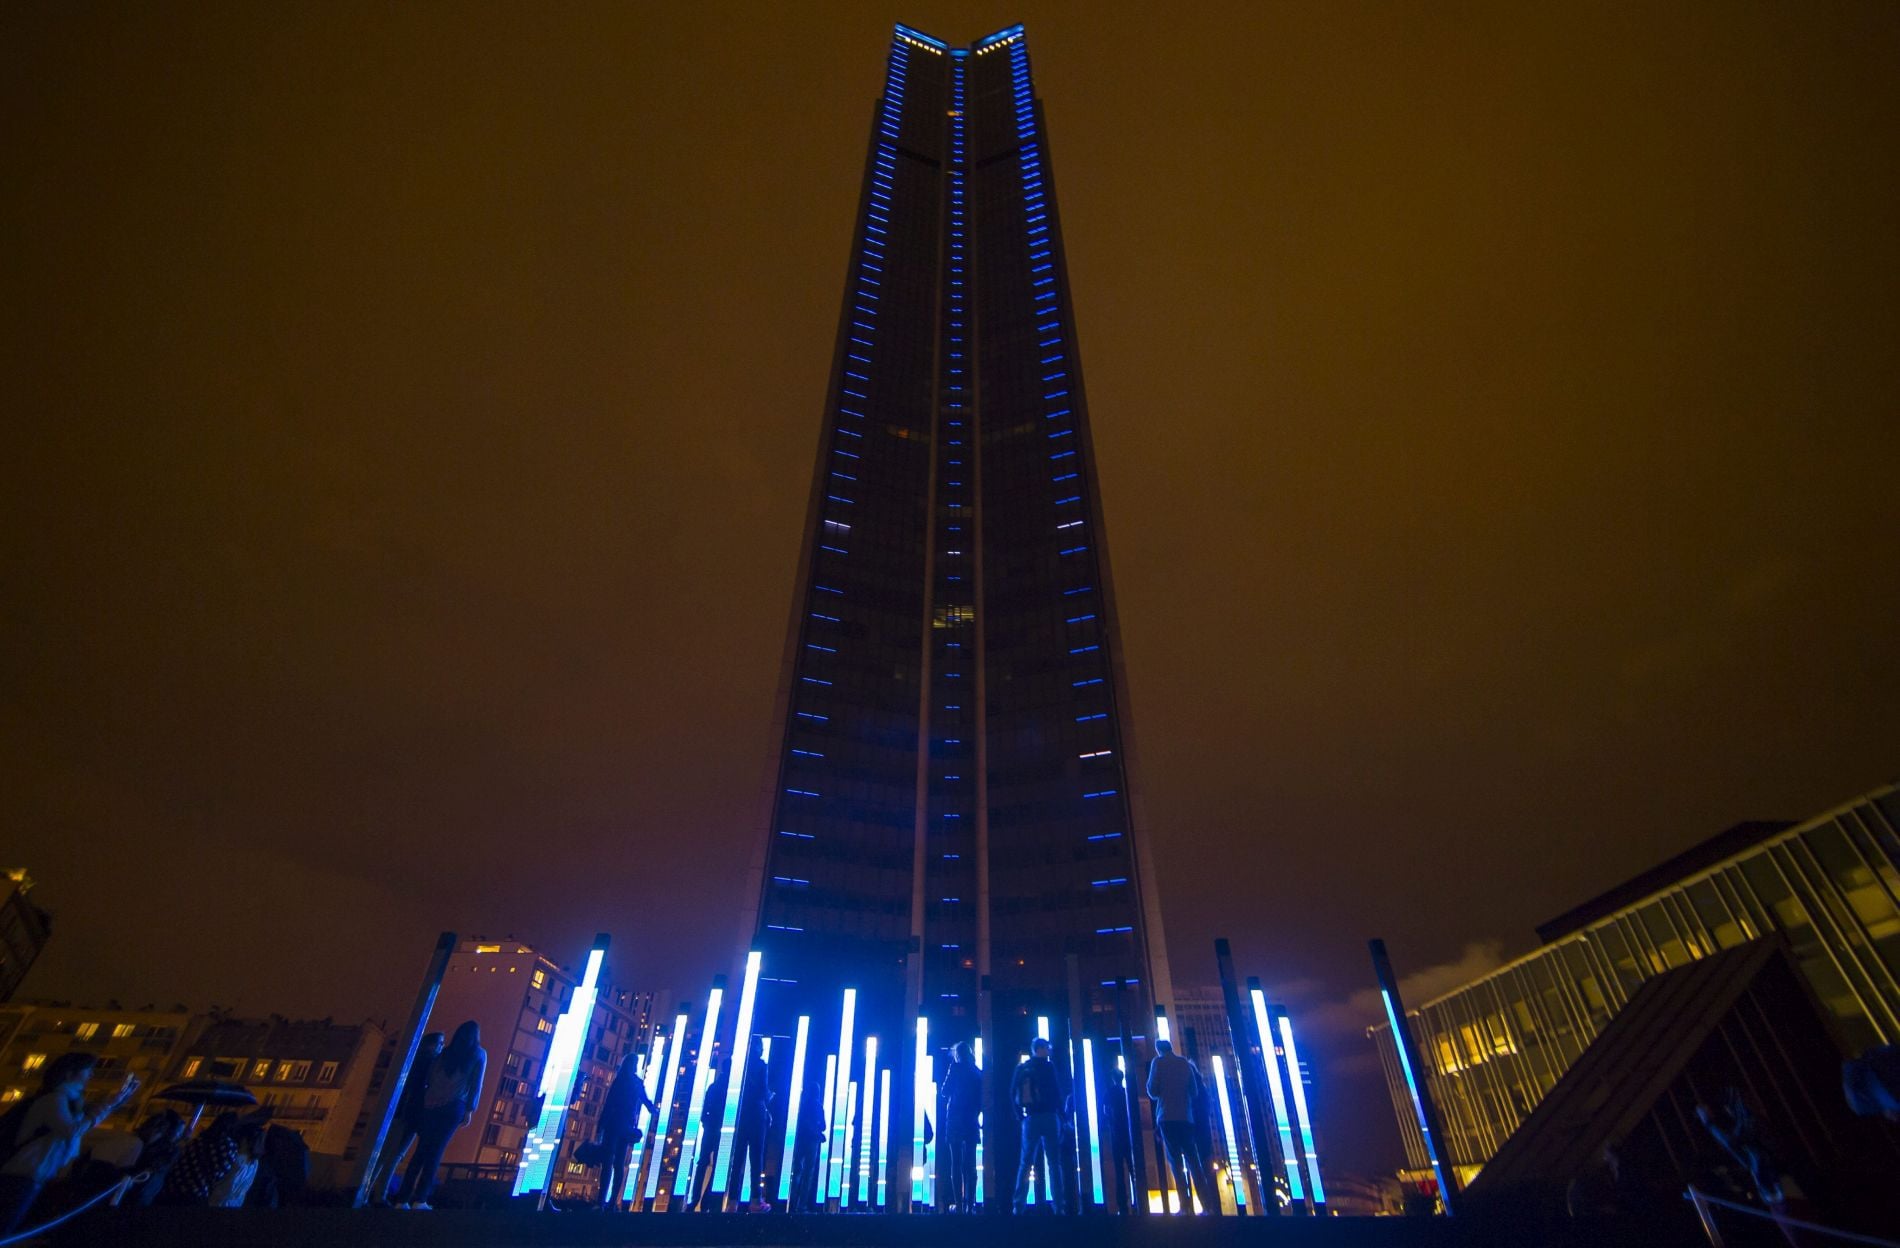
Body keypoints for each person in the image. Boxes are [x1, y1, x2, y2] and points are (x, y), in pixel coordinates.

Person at [0, 1052, 139, 1234]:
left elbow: (82, 1125)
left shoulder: (70, 1103)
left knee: (12, 1227)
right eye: (88, 1070)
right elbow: (72, 1131)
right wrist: (107, 1105)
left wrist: (114, 1103)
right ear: (69, 1073)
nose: (91, 1075)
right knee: (6, 1226)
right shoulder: (54, 1100)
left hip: (34, 1175)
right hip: (22, 1174)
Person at [398, 1019, 486, 1210]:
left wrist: (432, 1097)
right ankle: (420, 1199)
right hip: (454, 1107)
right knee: (436, 1152)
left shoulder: (445, 1052)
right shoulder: (478, 1054)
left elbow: (430, 1077)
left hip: (431, 1106)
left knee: (420, 1151)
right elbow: (476, 1085)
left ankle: (402, 1198)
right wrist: (470, 1110)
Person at [369, 1032, 442, 1205]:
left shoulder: (414, 1060)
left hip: (402, 1113)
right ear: (430, 1045)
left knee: (386, 1154)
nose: (441, 1047)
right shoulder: (427, 1063)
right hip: (409, 1115)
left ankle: (368, 1190)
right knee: (394, 1155)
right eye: (439, 1043)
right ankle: (379, 1195)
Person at [1147, 1039, 1218, 1214]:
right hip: (1186, 1118)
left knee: (1175, 1162)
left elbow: (1152, 1090)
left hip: (1167, 1117)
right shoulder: (1184, 1063)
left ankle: (1185, 1205)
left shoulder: (1158, 1062)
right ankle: (1207, 1204)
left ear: (1158, 1050)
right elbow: (1193, 1092)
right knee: (1193, 1161)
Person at [1010, 1037, 1069, 1214]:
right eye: (1047, 1048)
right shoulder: (1048, 1067)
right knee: (1054, 1162)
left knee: (1026, 1162)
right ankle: (1059, 1205)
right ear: (1041, 1049)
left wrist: (1020, 1116)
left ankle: (1018, 1205)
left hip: (1031, 1118)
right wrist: (1063, 1117)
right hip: (1049, 1117)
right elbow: (1057, 1093)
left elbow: (1012, 1092)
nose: (1049, 1051)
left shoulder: (1023, 1067)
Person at [595, 1049, 656, 1210]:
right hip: (624, 1125)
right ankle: (610, 1201)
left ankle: (604, 1200)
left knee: (610, 1162)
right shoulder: (634, 1082)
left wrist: (600, 1126)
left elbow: (609, 1103)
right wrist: (652, 1109)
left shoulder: (621, 1080)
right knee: (617, 1163)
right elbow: (645, 1100)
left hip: (615, 1124)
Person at [167, 1114, 268, 1207]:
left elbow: (221, 1182)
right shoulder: (254, 1163)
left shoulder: (233, 1156)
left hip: (209, 1199)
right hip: (230, 1204)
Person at [726, 1036, 773, 1211]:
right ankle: (755, 1199)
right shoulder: (761, 1066)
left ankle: (732, 1201)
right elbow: (762, 1091)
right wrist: (768, 1098)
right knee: (756, 1157)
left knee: (737, 1158)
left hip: (740, 1114)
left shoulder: (739, 1065)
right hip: (756, 1114)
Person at [938, 1040, 982, 1212]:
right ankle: (971, 1204)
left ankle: (959, 1204)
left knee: (955, 1163)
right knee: (970, 1163)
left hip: (955, 1118)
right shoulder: (977, 1072)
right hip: (971, 1119)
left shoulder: (955, 1068)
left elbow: (944, 1091)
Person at [689, 1058, 730, 1210]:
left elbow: (705, 1106)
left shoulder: (714, 1086)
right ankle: (706, 1200)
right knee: (718, 1165)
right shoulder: (730, 1087)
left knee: (703, 1163)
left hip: (711, 1126)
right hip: (721, 1128)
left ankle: (696, 1200)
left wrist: (705, 1120)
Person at [788, 1070, 827, 1213]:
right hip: (812, 1142)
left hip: (801, 1140)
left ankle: (792, 1202)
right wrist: (816, 1129)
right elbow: (823, 1125)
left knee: (797, 1170)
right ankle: (802, 1204)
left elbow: (800, 1122)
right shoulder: (818, 1106)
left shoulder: (803, 1105)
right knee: (808, 1173)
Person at [1102, 1066, 1134, 1214]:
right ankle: (1138, 1197)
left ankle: (1122, 1202)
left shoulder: (1110, 1092)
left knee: (1119, 1169)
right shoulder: (1126, 1092)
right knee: (1133, 1167)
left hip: (1116, 1132)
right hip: (1128, 1132)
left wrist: (1110, 1121)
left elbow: (1105, 1109)